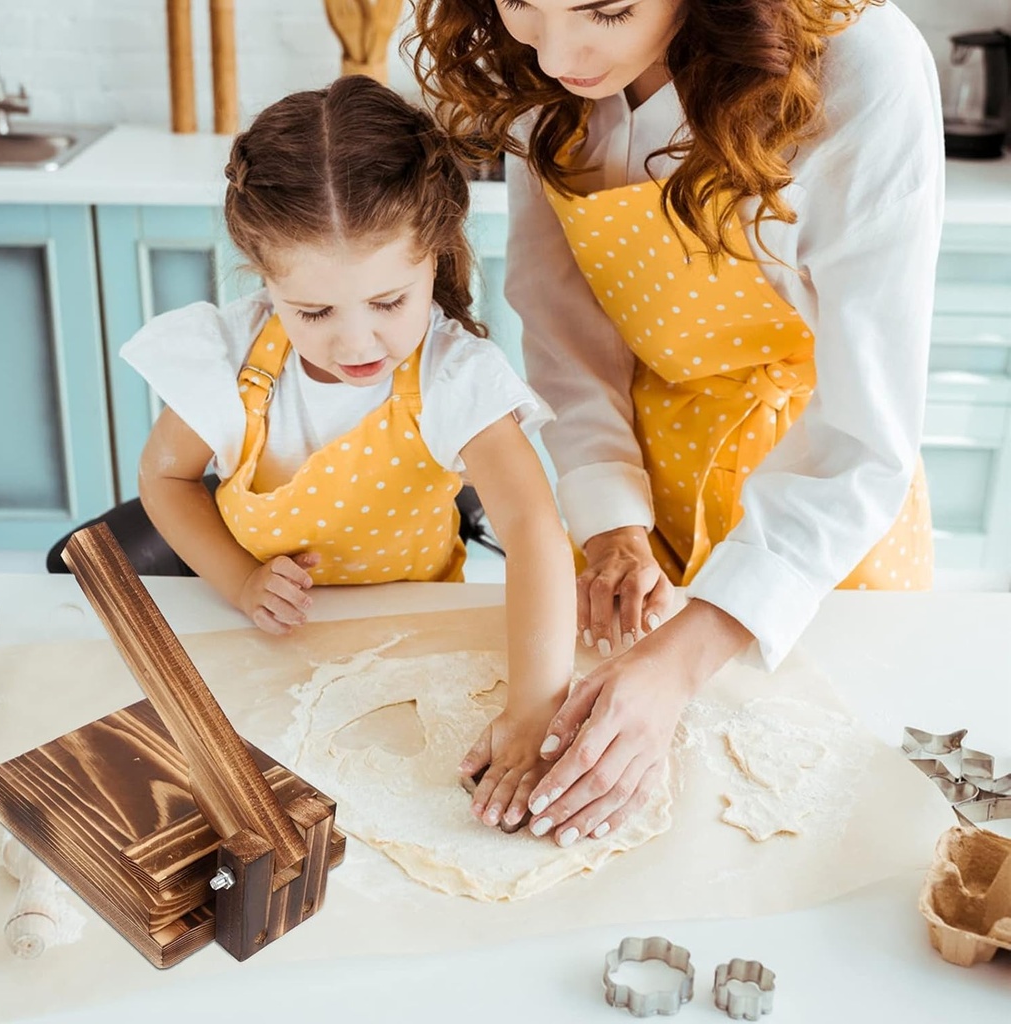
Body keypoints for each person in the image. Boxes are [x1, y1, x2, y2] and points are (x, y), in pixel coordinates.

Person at [413, 0, 943, 847]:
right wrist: (612, 531)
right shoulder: (536, 69)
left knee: (814, 819)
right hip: (644, 477)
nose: (555, 57)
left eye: (607, 10)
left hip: (822, 518)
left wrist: (681, 659)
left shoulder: (860, 65)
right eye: (520, 6)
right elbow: (562, 322)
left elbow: (863, 432)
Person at [121, 76, 577, 830]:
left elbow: (533, 533)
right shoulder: (228, 361)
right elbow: (164, 476)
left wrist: (533, 710)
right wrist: (239, 580)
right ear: (263, 276)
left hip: (414, 645)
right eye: (314, 311)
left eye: (389, 302)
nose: (357, 341)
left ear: (434, 256)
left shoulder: (454, 378)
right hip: (268, 649)